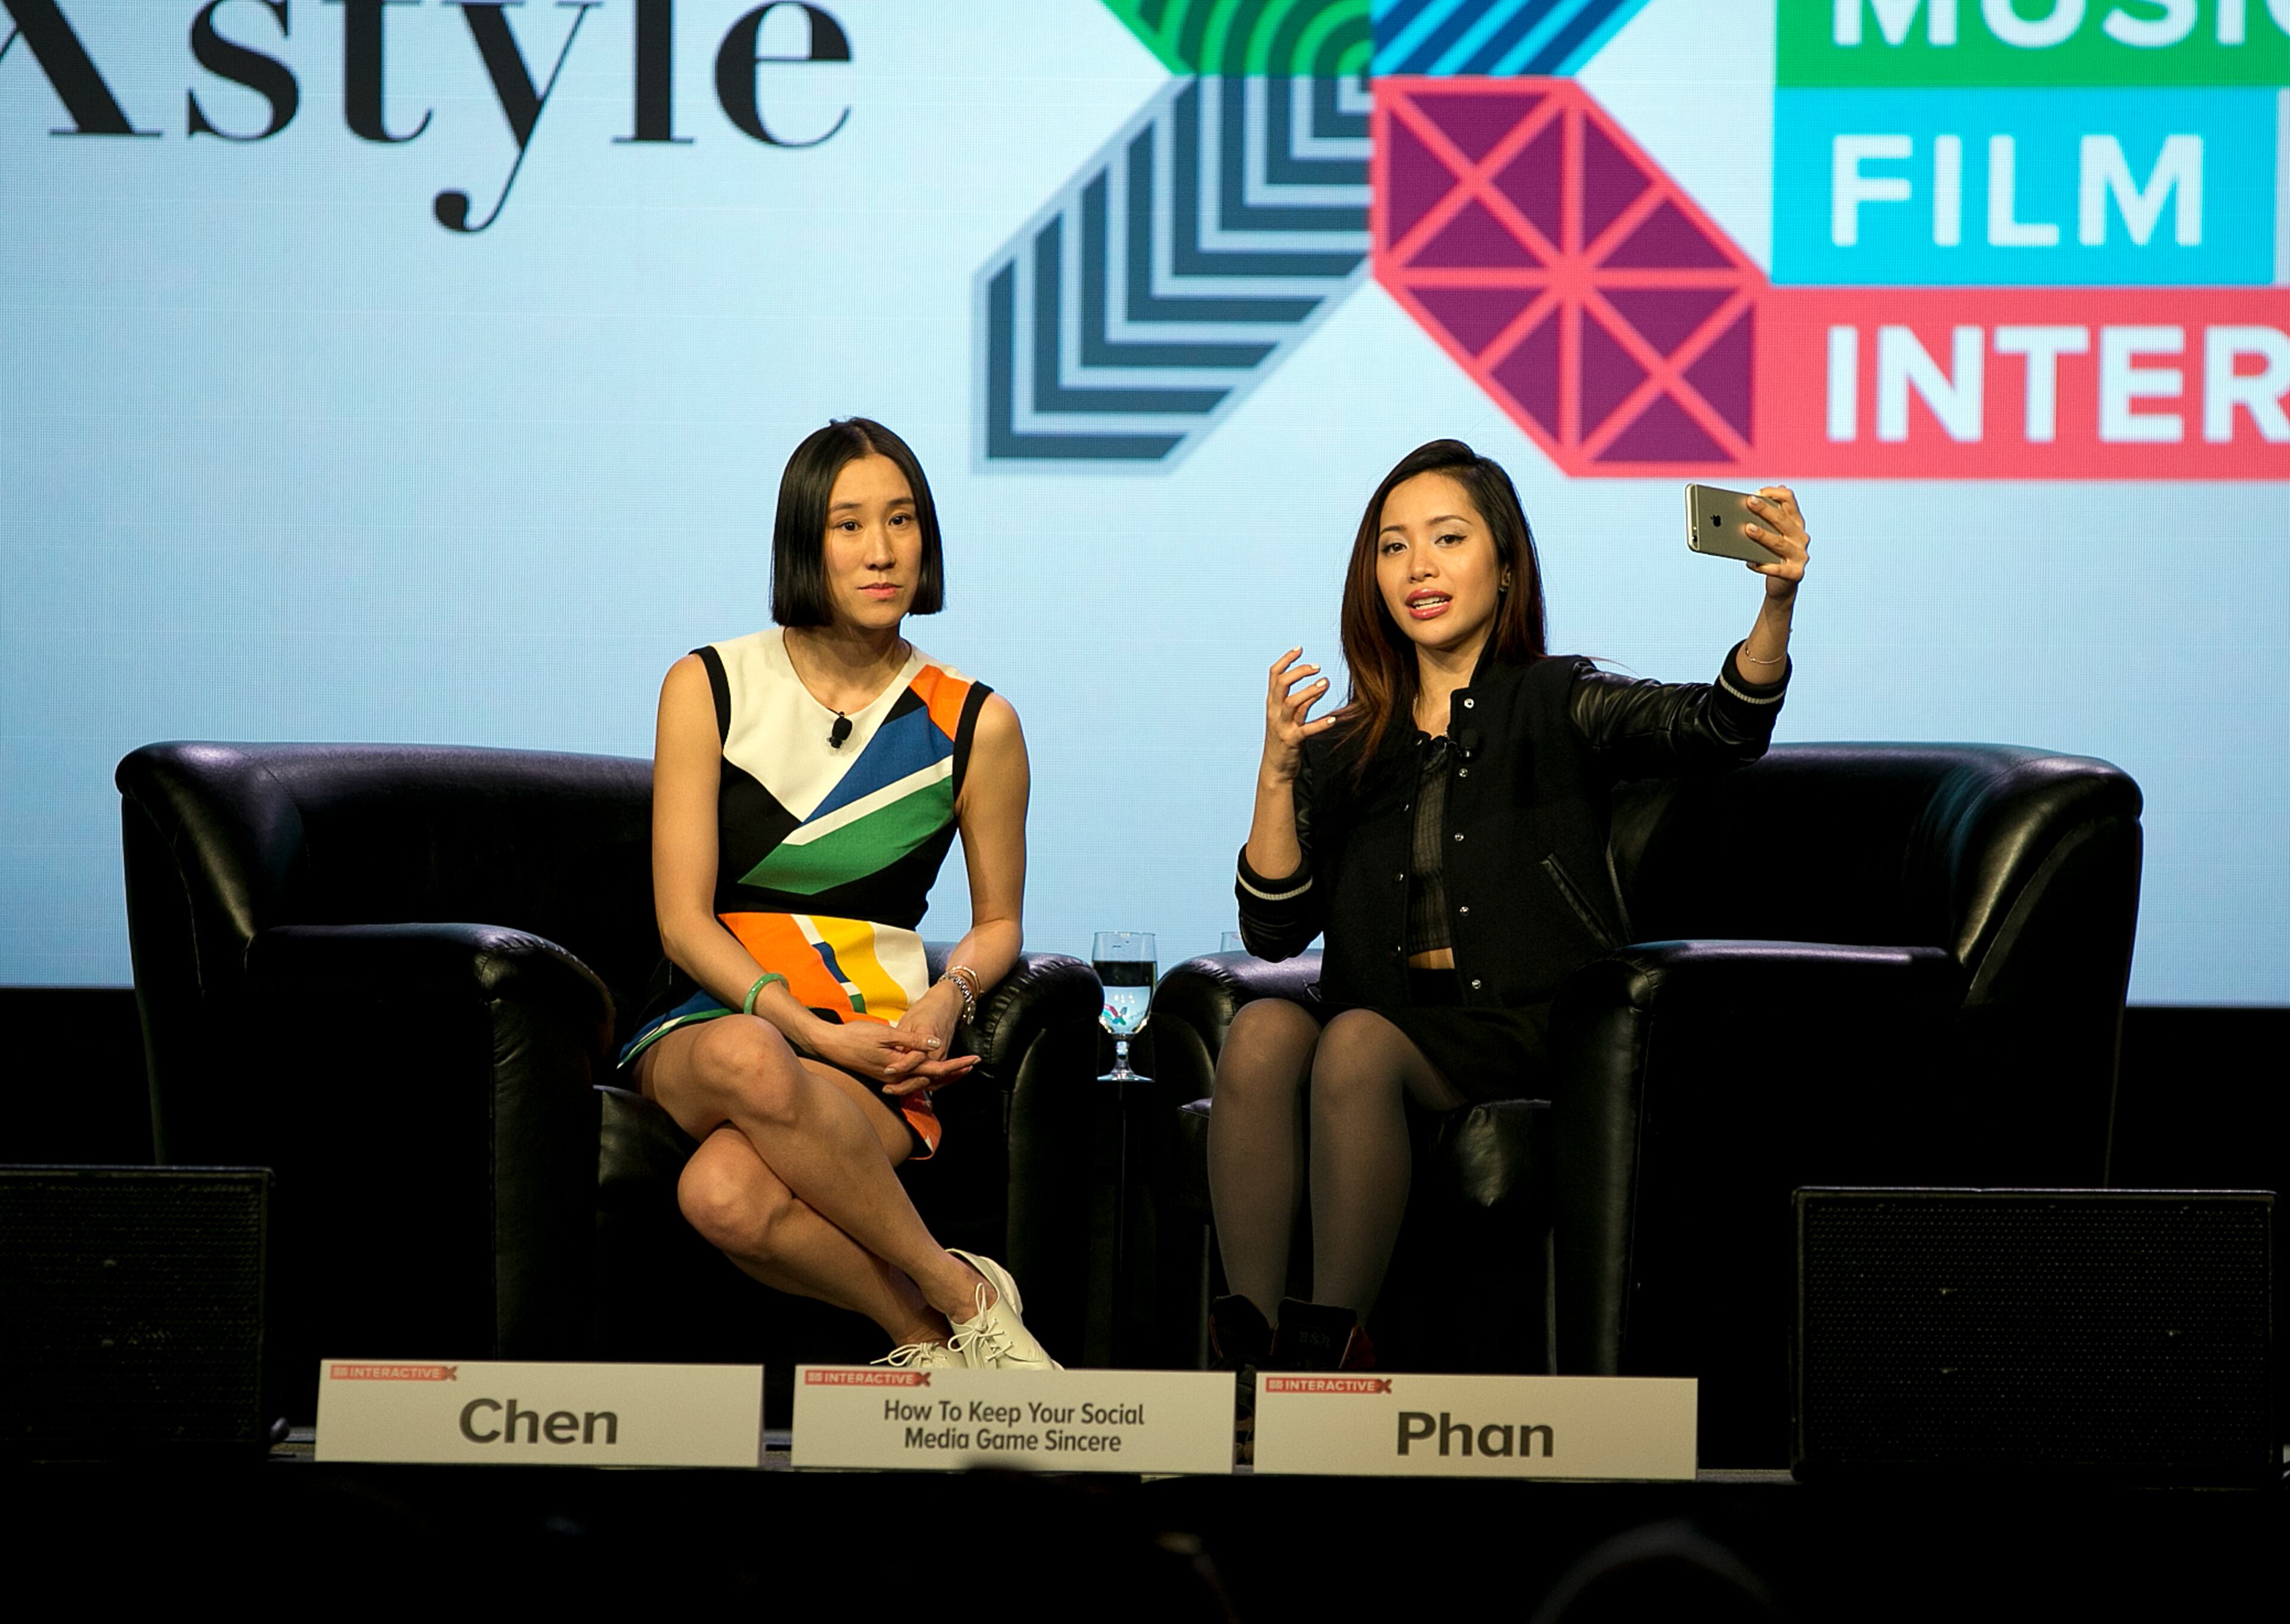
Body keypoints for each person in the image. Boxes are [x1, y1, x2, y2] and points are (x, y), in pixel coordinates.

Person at [1213, 438, 1812, 1371]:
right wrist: (1278, 771)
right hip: (1381, 1012)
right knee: (1259, 1031)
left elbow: (1721, 727)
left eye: (1448, 539)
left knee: (1355, 1042)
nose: (1419, 567)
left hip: (1517, 1022)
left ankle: (1330, 1351)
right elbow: (1274, 929)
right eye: (1394, 547)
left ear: (1504, 566)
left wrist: (1774, 607)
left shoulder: (1558, 698)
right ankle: (1247, 1349)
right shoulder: (1344, 744)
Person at [621, 416, 1055, 1371]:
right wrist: (812, 1036)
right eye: (849, 525)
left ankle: (920, 1340)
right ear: (804, 542)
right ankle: (966, 1296)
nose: (881, 551)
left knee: (724, 1197)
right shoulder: (707, 684)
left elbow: (997, 923)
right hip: (710, 1015)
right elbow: (681, 921)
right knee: (750, 1054)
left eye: (901, 521)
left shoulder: (975, 722)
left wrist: (944, 1005)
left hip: (877, 1029)